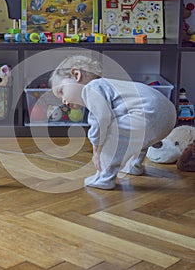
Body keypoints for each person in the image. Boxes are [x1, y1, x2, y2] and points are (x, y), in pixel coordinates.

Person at [50, 54, 177, 190]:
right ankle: (134, 165)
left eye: (61, 91)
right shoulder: (109, 86)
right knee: (131, 133)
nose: (63, 101)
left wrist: (97, 151)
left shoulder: (92, 88)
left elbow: (101, 120)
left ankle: (104, 177)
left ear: (76, 75)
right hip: (167, 114)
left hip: (149, 112)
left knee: (113, 137)